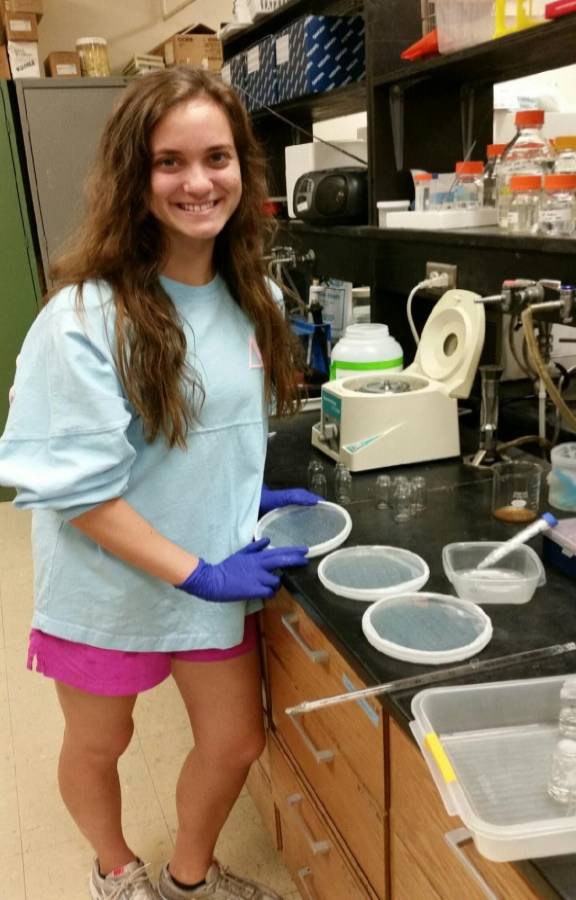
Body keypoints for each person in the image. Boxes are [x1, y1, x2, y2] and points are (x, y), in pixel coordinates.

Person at [0, 67, 320, 900]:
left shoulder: (254, 299)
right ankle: (115, 868)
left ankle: (188, 878)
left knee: (234, 744)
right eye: (168, 162)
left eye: (217, 157)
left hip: (210, 574)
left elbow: (214, 436)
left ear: (244, 169)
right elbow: (77, 491)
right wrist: (201, 569)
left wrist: (237, 501)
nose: (197, 181)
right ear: (133, 177)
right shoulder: (83, 315)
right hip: (110, 585)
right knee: (100, 743)